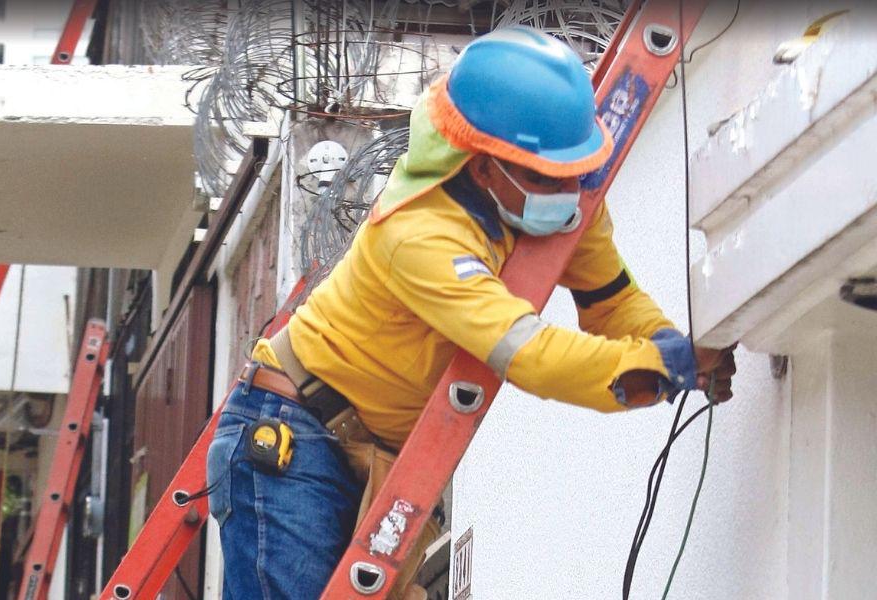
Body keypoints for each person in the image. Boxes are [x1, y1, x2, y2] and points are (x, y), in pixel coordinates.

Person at [207, 26, 737, 599]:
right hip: (295, 439)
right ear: (484, 165)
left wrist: (672, 346)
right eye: (544, 176)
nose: (568, 190)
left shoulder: (558, 204)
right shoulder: (420, 236)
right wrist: (674, 365)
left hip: (370, 452)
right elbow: (531, 356)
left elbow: (612, 301)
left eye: (576, 171)